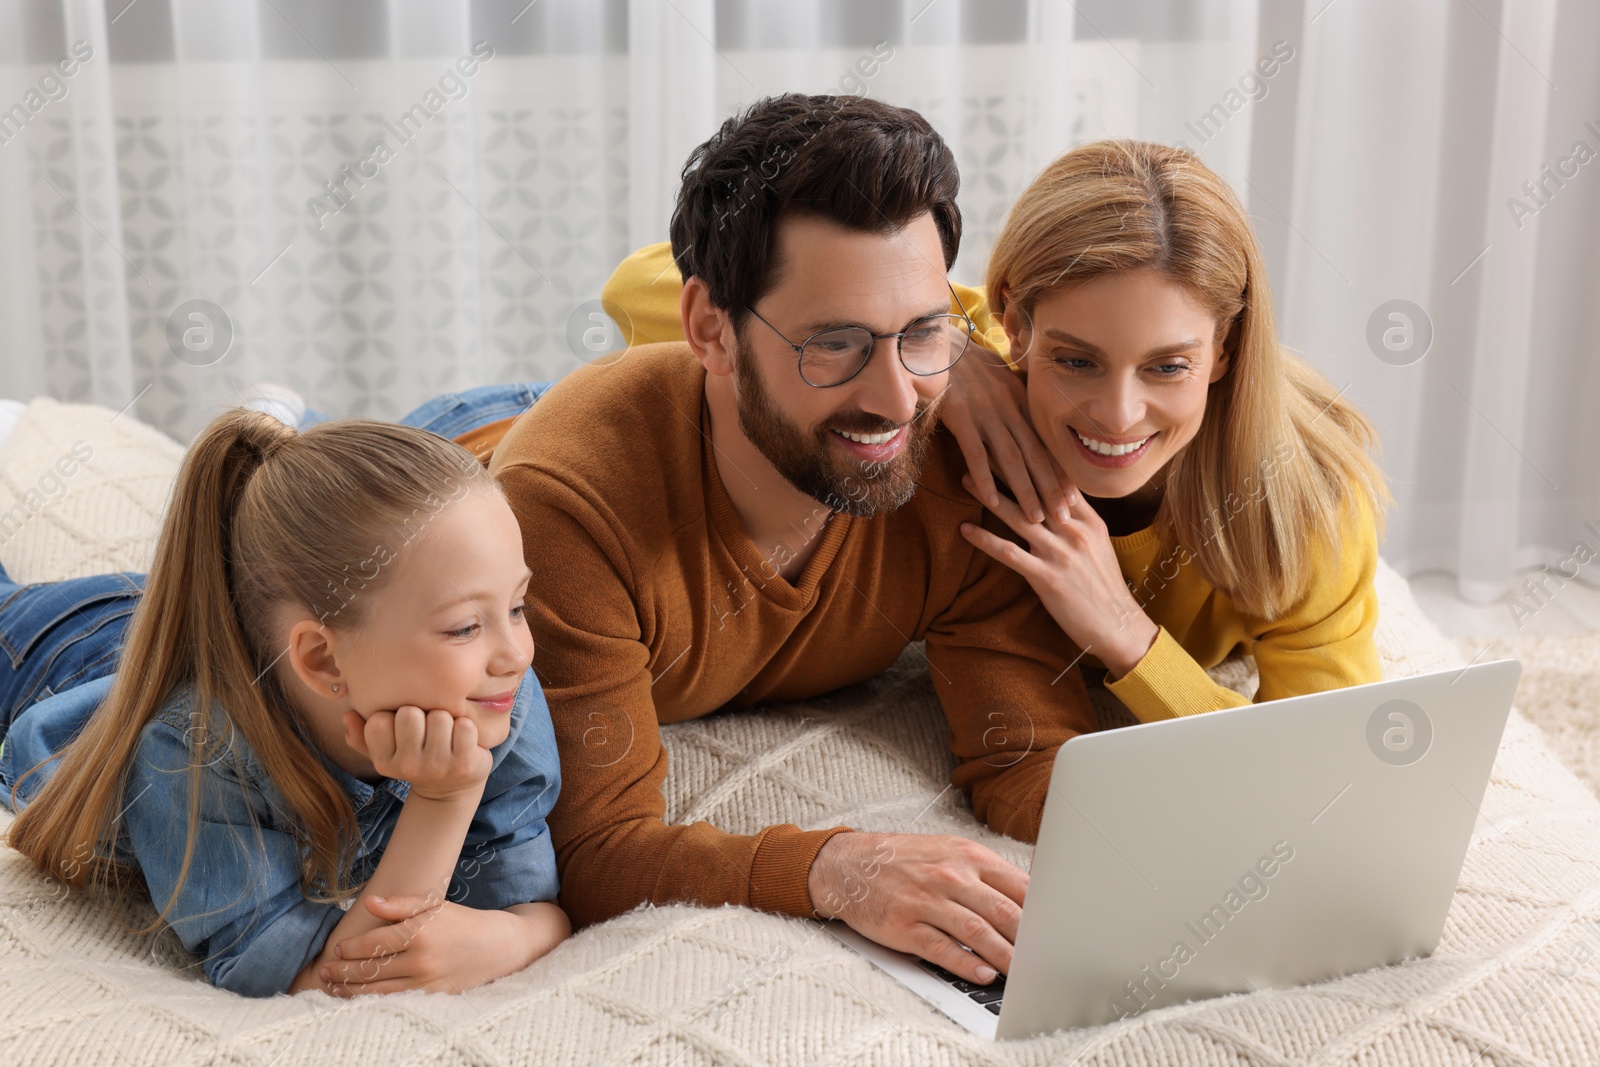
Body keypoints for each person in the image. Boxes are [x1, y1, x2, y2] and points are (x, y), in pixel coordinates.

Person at [457, 92, 1100, 989]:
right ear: (710, 330)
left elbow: (1019, 758)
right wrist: (835, 868)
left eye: (922, 332)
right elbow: (599, 850)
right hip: (475, 448)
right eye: (834, 343)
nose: (897, 397)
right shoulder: (563, 515)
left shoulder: (960, 463)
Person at [607, 137, 1391, 722]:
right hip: (577, 412)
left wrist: (1130, 638)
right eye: (1077, 362)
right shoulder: (940, 350)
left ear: (1225, 348)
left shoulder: (1307, 501)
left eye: (1168, 367)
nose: (1119, 414)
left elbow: (1320, 766)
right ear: (1015, 319)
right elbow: (635, 285)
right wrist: (952, 346)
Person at [0, 409, 570, 998]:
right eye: (463, 628)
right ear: (323, 660)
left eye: (518, 607)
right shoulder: (196, 753)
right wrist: (444, 801)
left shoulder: (498, 700)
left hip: (237, 629)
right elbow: (320, 978)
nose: (517, 653)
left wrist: (522, 937)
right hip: (68, 653)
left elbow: (529, 901)